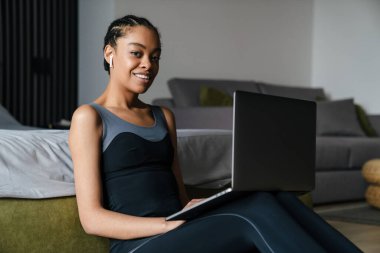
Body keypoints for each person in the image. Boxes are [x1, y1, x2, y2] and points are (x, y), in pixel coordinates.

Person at [69, 14, 363, 253]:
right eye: (137, 53)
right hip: (139, 245)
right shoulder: (90, 117)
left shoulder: (162, 116)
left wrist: (195, 209)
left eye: (155, 56)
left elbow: (178, 194)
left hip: (179, 227)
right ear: (110, 53)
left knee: (269, 196)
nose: (148, 64)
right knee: (247, 219)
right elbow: (92, 219)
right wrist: (166, 225)